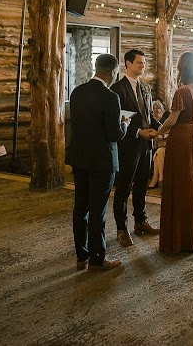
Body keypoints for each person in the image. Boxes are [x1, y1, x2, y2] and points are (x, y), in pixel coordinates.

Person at [68, 53, 128, 271]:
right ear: (113, 72)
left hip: (80, 158)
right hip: (102, 161)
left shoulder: (77, 93)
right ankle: (97, 259)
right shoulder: (111, 97)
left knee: (80, 208)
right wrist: (125, 124)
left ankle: (81, 256)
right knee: (97, 211)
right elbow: (114, 134)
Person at [156, 52, 193, 255]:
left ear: (182, 69)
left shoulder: (182, 91)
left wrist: (158, 132)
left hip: (180, 138)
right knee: (191, 183)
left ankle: (178, 239)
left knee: (178, 185)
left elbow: (172, 120)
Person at [110, 49, 159, 249]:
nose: (142, 66)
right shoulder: (117, 89)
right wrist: (139, 131)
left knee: (141, 184)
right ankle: (122, 229)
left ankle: (140, 220)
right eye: (139, 62)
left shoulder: (145, 88)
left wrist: (162, 129)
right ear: (128, 64)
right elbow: (118, 120)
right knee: (123, 187)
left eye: (143, 63)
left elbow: (149, 116)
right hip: (128, 144)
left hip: (146, 145)